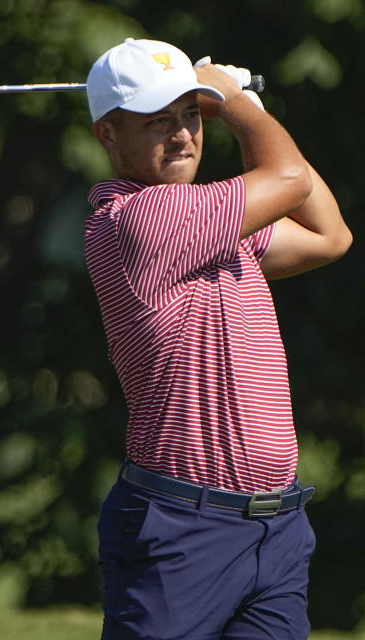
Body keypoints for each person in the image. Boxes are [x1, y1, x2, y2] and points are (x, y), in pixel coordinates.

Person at [84, 38, 351, 638]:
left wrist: (232, 102)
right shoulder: (139, 219)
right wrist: (238, 103)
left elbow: (330, 235)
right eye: (157, 122)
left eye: (190, 115)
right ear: (107, 135)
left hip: (276, 527)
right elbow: (287, 177)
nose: (182, 136)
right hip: (182, 529)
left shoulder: (211, 224)